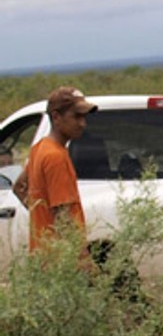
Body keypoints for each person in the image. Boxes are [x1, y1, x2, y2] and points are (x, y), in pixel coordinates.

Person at [17, 85, 96, 251]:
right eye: (76, 116)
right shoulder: (56, 157)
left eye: (84, 117)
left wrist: (42, 218)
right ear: (56, 117)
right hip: (60, 258)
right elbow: (64, 215)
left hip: (43, 254)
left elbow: (19, 187)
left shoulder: (40, 148)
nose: (82, 124)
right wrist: (83, 258)